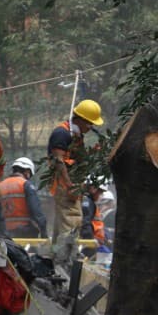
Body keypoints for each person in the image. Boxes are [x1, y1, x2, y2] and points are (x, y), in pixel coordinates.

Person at [47, 98, 105, 241]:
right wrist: (69, 186)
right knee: (72, 222)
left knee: (62, 226)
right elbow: (58, 161)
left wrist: (94, 152)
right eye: (90, 123)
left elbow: (79, 162)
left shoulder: (76, 136)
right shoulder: (62, 133)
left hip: (70, 186)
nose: (91, 127)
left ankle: (56, 259)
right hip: (64, 186)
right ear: (81, 119)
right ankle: (68, 260)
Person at [0, 157, 47, 238]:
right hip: (24, 231)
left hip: (5, 232)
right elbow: (36, 211)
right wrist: (44, 232)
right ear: (27, 172)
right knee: (31, 251)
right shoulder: (25, 185)